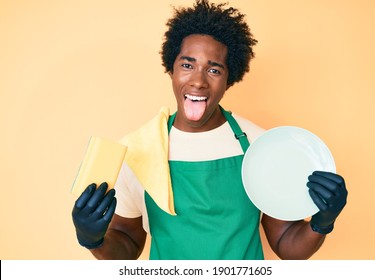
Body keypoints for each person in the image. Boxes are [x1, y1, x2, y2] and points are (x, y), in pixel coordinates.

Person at [72, 0, 348, 260]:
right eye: (187, 65)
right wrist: (93, 239)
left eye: (214, 70)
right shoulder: (137, 151)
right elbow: (128, 245)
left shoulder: (259, 145)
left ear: (229, 80)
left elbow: (287, 242)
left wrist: (322, 222)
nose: (198, 81)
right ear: (171, 69)